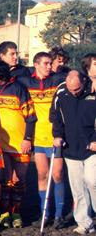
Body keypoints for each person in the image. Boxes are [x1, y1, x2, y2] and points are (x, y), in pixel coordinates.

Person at [17, 52, 66, 229]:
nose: (48, 66)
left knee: (58, 174)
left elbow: (79, 76)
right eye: (45, 63)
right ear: (36, 65)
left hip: (55, 137)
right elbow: (2, 75)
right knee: (42, 175)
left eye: (50, 63)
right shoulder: (25, 81)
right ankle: (44, 212)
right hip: (37, 138)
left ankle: (59, 214)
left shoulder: (58, 79)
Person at [0, 60, 37, 228]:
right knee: (6, 180)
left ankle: (16, 212)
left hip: (20, 143)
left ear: (1, 76)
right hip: (2, 144)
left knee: (19, 180)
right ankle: (5, 213)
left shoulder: (18, 89)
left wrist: (27, 139)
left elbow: (31, 117)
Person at [51, 71, 96, 235]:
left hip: (92, 147)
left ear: (83, 82)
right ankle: (85, 223)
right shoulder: (61, 91)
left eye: (77, 90)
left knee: (92, 181)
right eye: (71, 89)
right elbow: (55, 115)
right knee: (77, 188)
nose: (73, 93)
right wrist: (57, 135)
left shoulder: (93, 90)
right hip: (71, 147)